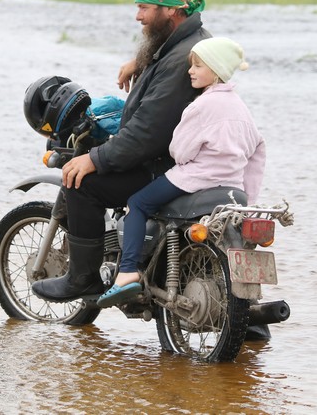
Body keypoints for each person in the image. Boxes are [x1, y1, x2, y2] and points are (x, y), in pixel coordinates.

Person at [31, 0, 211, 303]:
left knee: (80, 183)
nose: (138, 16)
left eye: (144, 7)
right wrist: (140, 63)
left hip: (163, 163)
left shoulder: (176, 61)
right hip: (192, 158)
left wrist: (94, 158)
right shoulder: (194, 42)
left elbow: (147, 134)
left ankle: (82, 279)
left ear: (169, 10)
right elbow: (164, 61)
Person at [97, 36, 266, 307]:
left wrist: (179, 155)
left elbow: (180, 151)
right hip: (231, 188)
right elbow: (258, 153)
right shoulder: (242, 109)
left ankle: (128, 270)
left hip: (195, 179)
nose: (191, 71)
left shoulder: (201, 105)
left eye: (198, 66)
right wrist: (248, 195)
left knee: (137, 203)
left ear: (215, 69)